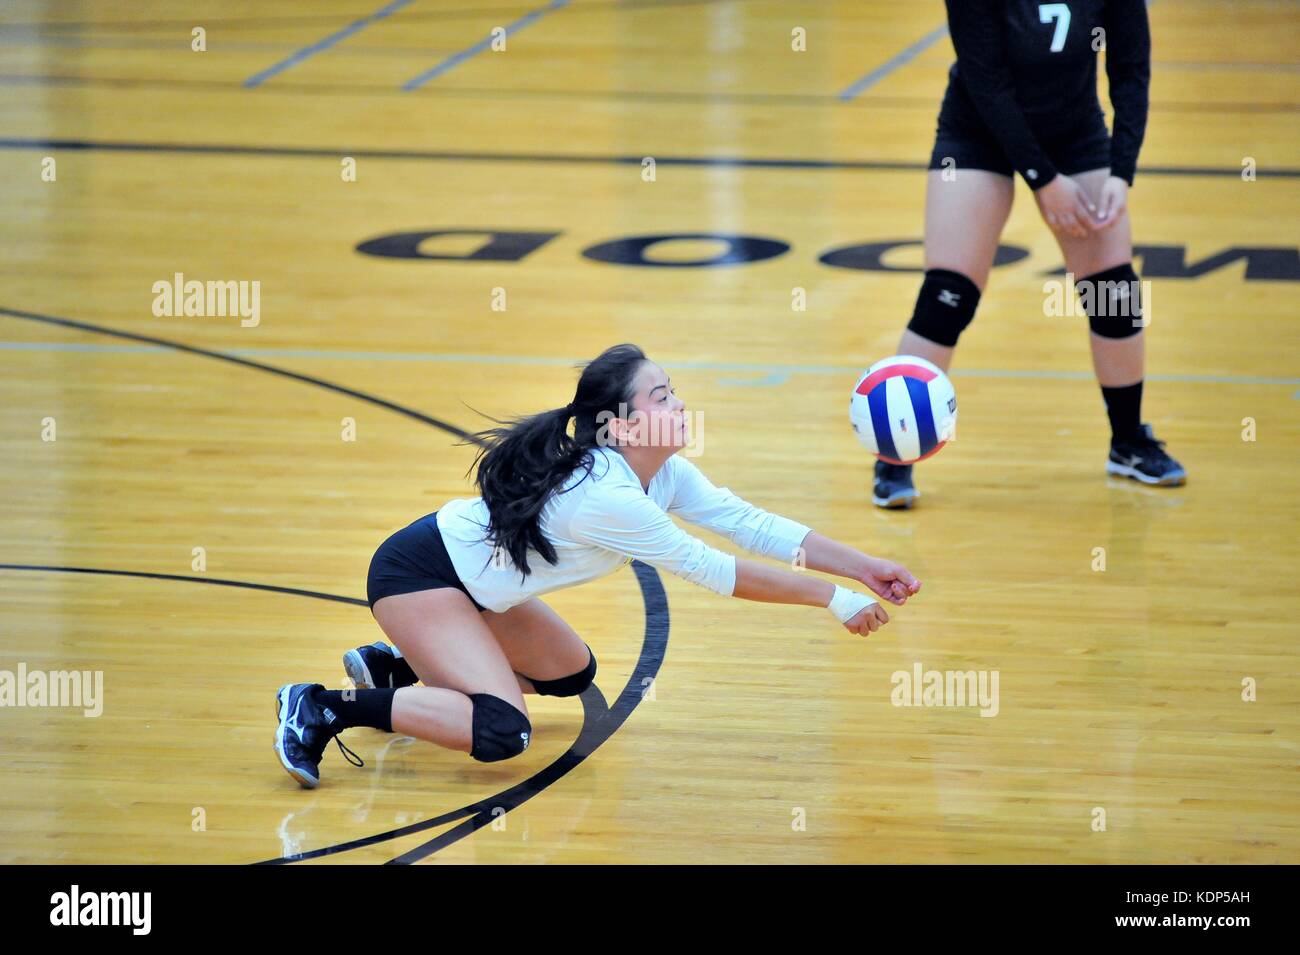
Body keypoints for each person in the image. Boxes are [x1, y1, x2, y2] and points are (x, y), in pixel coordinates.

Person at [274, 344, 921, 787]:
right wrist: (833, 599)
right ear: (620, 426)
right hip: (420, 578)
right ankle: (327, 707)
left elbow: (749, 525)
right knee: (504, 732)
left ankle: (403, 663)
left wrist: (863, 565)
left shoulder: (662, 471)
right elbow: (718, 570)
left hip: (469, 592)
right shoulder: (607, 495)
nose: (677, 405)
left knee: (568, 674)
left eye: (674, 392)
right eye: (662, 396)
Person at [873, 0, 1186, 509]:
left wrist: (1119, 173)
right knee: (948, 293)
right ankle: (894, 453)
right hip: (978, 132)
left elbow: (1131, 70)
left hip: (1075, 133)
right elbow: (986, 81)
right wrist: (1044, 180)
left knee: (1114, 293)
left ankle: (1128, 442)